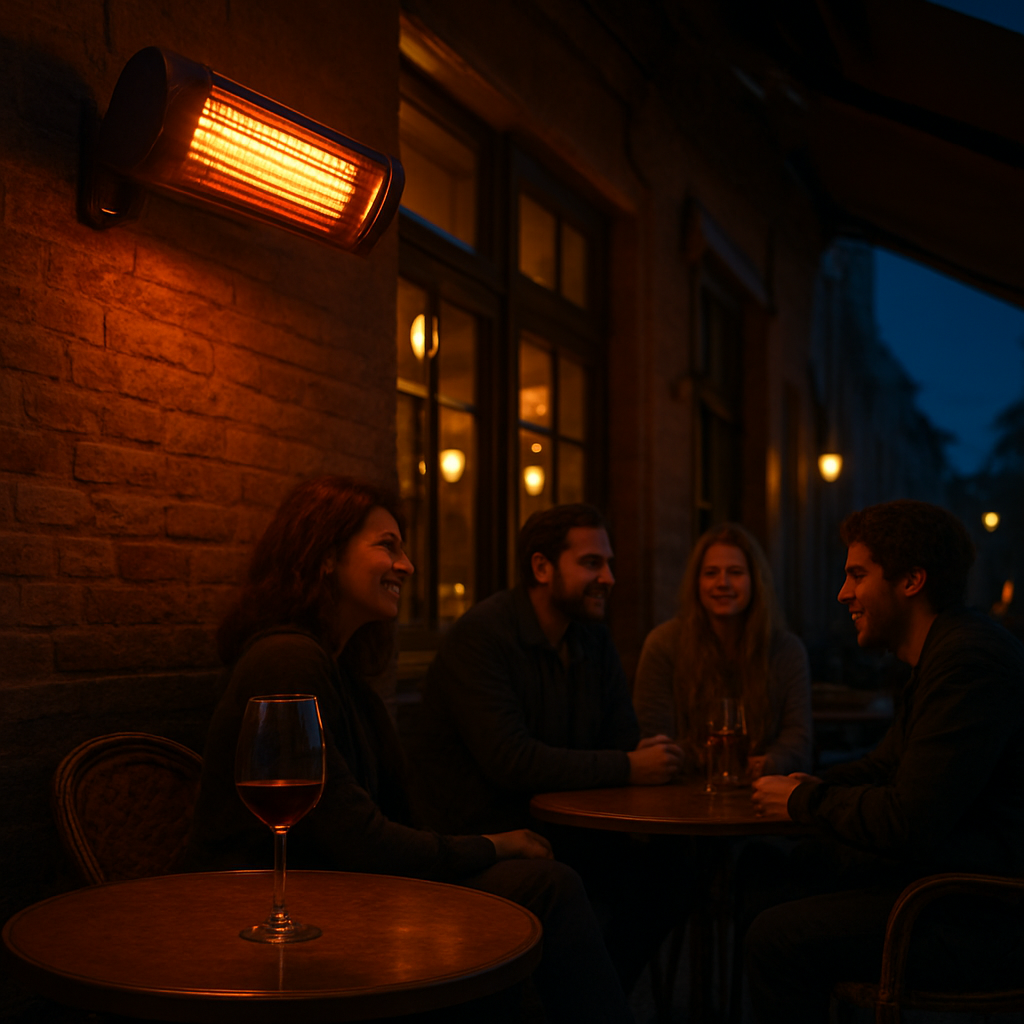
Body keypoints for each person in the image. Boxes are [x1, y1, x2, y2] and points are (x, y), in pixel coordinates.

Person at [186, 477, 633, 1024]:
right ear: (325, 556)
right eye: (388, 546)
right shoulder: (287, 661)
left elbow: (391, 821)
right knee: (548, 886)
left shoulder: (342, 673)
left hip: (340, 885)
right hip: (277, 904)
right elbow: (356, 839)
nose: (408, 565)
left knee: (570, 879)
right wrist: (490, 846)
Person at [744, 500, 1024, 1024]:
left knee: (774, 937)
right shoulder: (944, 652)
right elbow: (884, 766)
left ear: (912, 580)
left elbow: (908, 819)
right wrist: (805, 783)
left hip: (978, 914)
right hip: (943, 887)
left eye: (857, 575)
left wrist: (806, 801)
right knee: (764, 870)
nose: (842, 593)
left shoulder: (969, 661)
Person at [408, 503, 686, 991]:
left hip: (568, 830)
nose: (609, 578)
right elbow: (512, 761)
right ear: (542, 567)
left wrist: (637, 759)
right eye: (592, 563)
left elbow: (621, 738)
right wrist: (627, 766)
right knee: (565, 879)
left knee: (678, 863)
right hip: (486, 837)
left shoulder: (592, 639)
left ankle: (602, 994)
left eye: (609, 564)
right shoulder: (482, 636)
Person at [633, 523, 812, 779]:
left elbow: (797, 740)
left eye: (735, 572)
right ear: (696, 582)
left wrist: (771, 762)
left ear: (755, 580)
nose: (722, 583)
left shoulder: (786, 650)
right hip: (681, 790)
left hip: (762, 789)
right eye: (711, 573)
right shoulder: (663, 644)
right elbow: (656, 742)